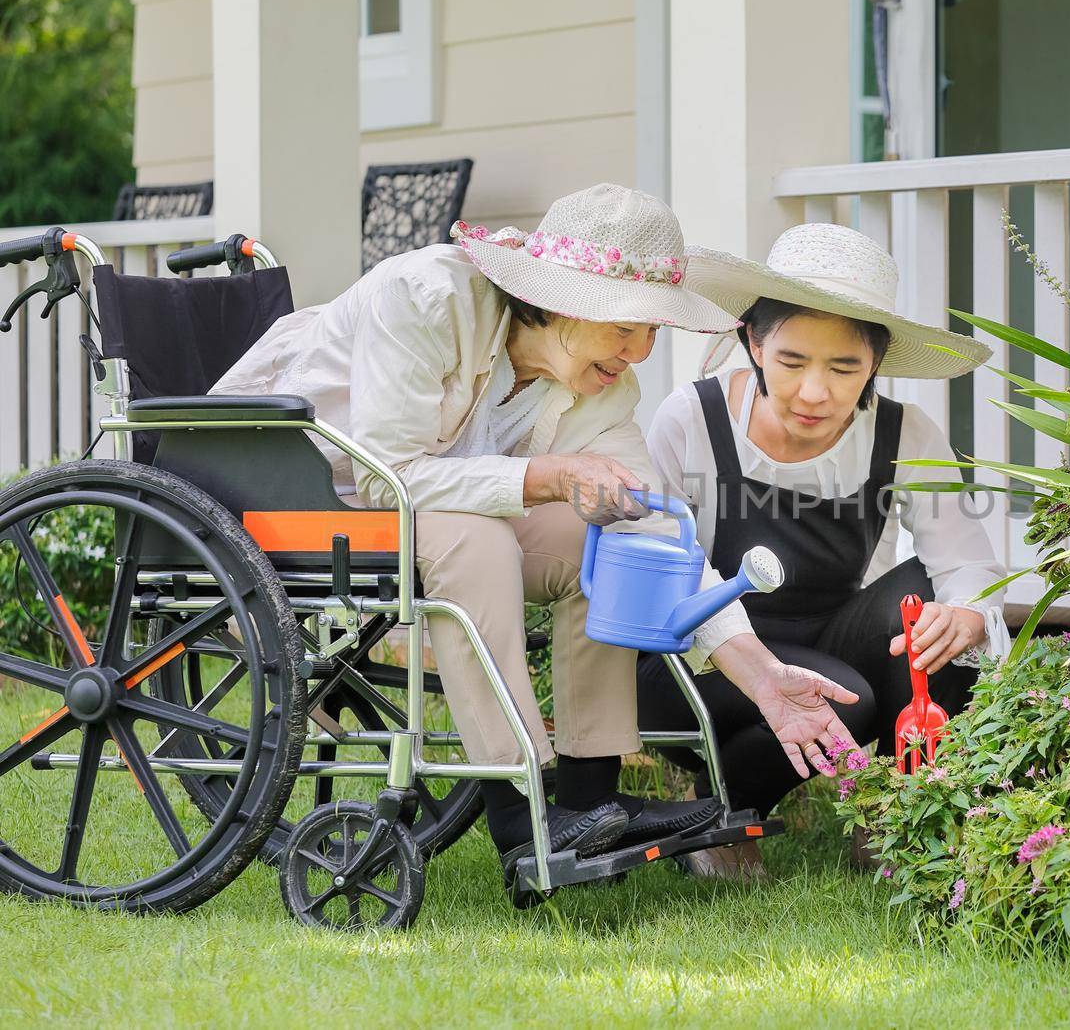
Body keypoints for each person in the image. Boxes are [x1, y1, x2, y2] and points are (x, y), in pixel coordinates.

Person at [210, 185, 861, 895]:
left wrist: (763, 675)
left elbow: (659, 525)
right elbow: (386, 473)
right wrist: (544, 474)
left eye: (653, 332)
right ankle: (522, 816)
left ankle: (589, 796)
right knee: (479, 536)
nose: (640, 351)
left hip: (422, 511)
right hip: (295, 491)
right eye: (629, 326)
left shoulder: (601, 389)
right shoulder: (428, 296)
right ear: (562, 300)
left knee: (612, 535)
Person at [638, 222, 1011, 876]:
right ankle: (722, 813)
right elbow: (663, 573)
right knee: (848, 697)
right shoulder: (691, 419)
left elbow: (967, 561)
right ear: (752, 340)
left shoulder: (903, 433)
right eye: (791, 362)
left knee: (929, 604)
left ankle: (906, 814)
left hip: (830, 639)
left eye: (844, 367)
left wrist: (968, 615)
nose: (815, 391)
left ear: (876, 361)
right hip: (698, 663)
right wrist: (756, 665)